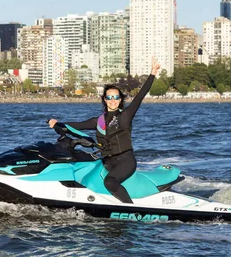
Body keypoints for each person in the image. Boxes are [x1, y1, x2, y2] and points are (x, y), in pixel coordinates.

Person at [48, 58, 161, 203]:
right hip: (107, 161)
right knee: (83, 169)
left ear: (120, 100)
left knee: (110, 181)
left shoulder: (125, 116)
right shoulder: (98, 121)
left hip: (125, 161)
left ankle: (129, 207)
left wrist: (152, 74)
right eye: (109, 97)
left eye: (116, 97)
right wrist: (57, 123)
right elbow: (78, 125)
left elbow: (140, 97)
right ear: (105, 100)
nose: (113, 100)